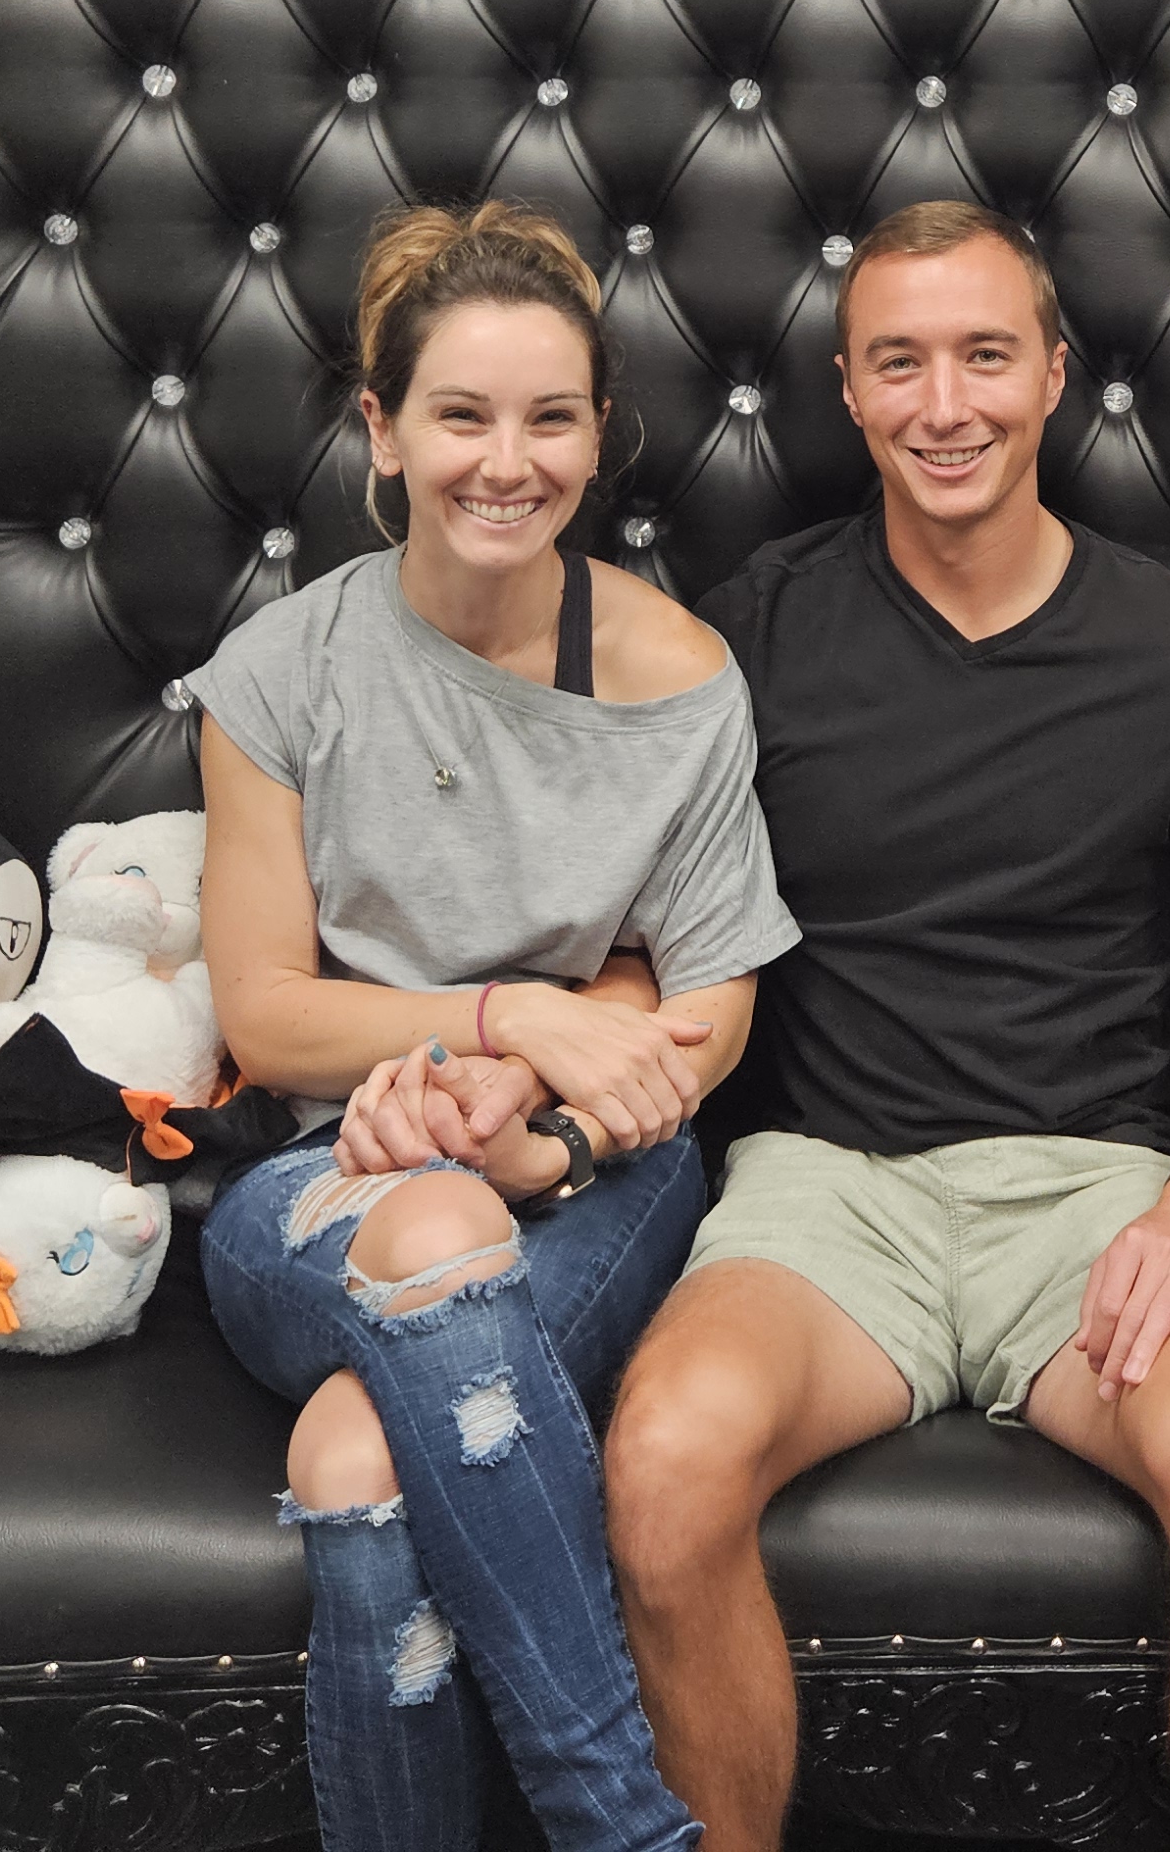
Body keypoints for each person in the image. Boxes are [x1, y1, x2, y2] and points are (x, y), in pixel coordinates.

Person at [602, 201, 1170, 1852]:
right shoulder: (752, 631)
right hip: (825, 1191)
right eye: (900, 363)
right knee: (663, 1463)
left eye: (986, 356)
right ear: (849, 393)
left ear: (1055, 377)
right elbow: (647, 925)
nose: (946, 405)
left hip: (1094, 1193)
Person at [189, 200, 798, 1852]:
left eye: (552, 418)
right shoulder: (280, 675)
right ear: (381, 428)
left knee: (354, 1460)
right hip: (319, 1178)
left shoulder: (677, 679)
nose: (507, 464)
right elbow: (266, 1013)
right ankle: (628, 1830)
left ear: (599, 434)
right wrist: (504, 1013)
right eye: (460, 415)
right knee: (436, 1220)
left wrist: (553, 1120)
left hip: (603, 1167)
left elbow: (713, 1003)